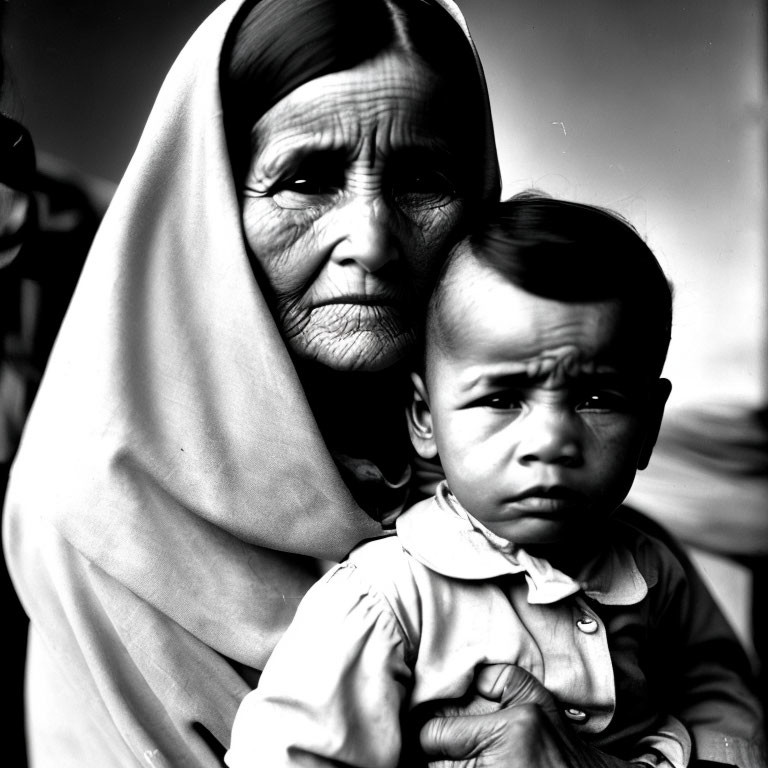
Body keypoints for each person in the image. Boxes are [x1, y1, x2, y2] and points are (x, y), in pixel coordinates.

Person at [2, 1, 759, 766]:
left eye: (423, 180)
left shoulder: (557, 492)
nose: (370, 241)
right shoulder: (102, 516)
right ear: (209, 205)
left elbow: (719, 697)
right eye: (305, 179)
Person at [225, 196, 767, 768]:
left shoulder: (653, 572)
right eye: (503, 398)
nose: (551, 441)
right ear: (425, 418)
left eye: (596, 399)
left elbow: (721, 697)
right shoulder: (387, 597)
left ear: (648, 427)